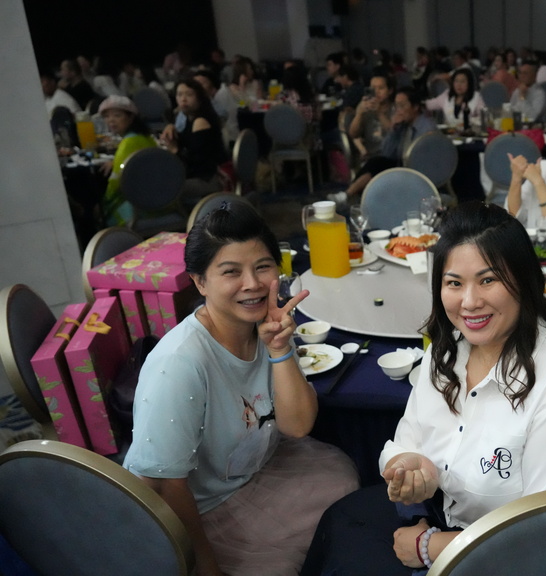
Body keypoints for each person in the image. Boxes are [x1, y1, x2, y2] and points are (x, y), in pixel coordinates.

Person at [300, 202, 546, 575]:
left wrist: (431, 546)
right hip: (438, 514)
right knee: (339, 523)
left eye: (488, 280)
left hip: (510, 561)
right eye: (454, 283)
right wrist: (408, 470)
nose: (470, 302)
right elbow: (409, 440)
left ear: (525, 281)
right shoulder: (447, 350)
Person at [123, 204, 359, 576]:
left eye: (263, 267)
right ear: (200, 282)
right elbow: (166, 486)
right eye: (231, 271)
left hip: (253, 470)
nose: (252, 284)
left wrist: (280, 349)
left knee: (342, 480)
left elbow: (297, 426)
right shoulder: (179, 363)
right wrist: (206, 566)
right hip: (201, 507)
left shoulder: (265, 324)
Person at [330, 86, 435, 202]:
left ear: (415, 107)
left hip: (417, 171)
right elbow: (387, 152)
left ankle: (350, 195)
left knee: (378, 166)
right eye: (397, 106)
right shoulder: (404, 125)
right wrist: (393, 130)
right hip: (401, 164)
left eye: (402, 106)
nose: (398, 110)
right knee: (377, 163)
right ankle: (349, 195)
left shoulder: (426, 128)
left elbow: (423, 160)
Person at [161, 79, 230, 207]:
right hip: (197, 175)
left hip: (208, 179)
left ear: (199, 98)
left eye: (189, 94)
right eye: (179, 94)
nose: (183, 99)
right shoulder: (189, 118)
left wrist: (175, 150)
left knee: (163, 188)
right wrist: (171, 126)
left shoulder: (201, 122)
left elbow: (196, 163)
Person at [96, 96, 158, 226]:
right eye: (107, 116)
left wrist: (102, 203)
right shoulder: (145, 137)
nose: (111, 120)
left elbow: (115, 182)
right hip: (161, 199)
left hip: (139, 207)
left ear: (131, 117)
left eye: (117, 115)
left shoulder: (128, 143)